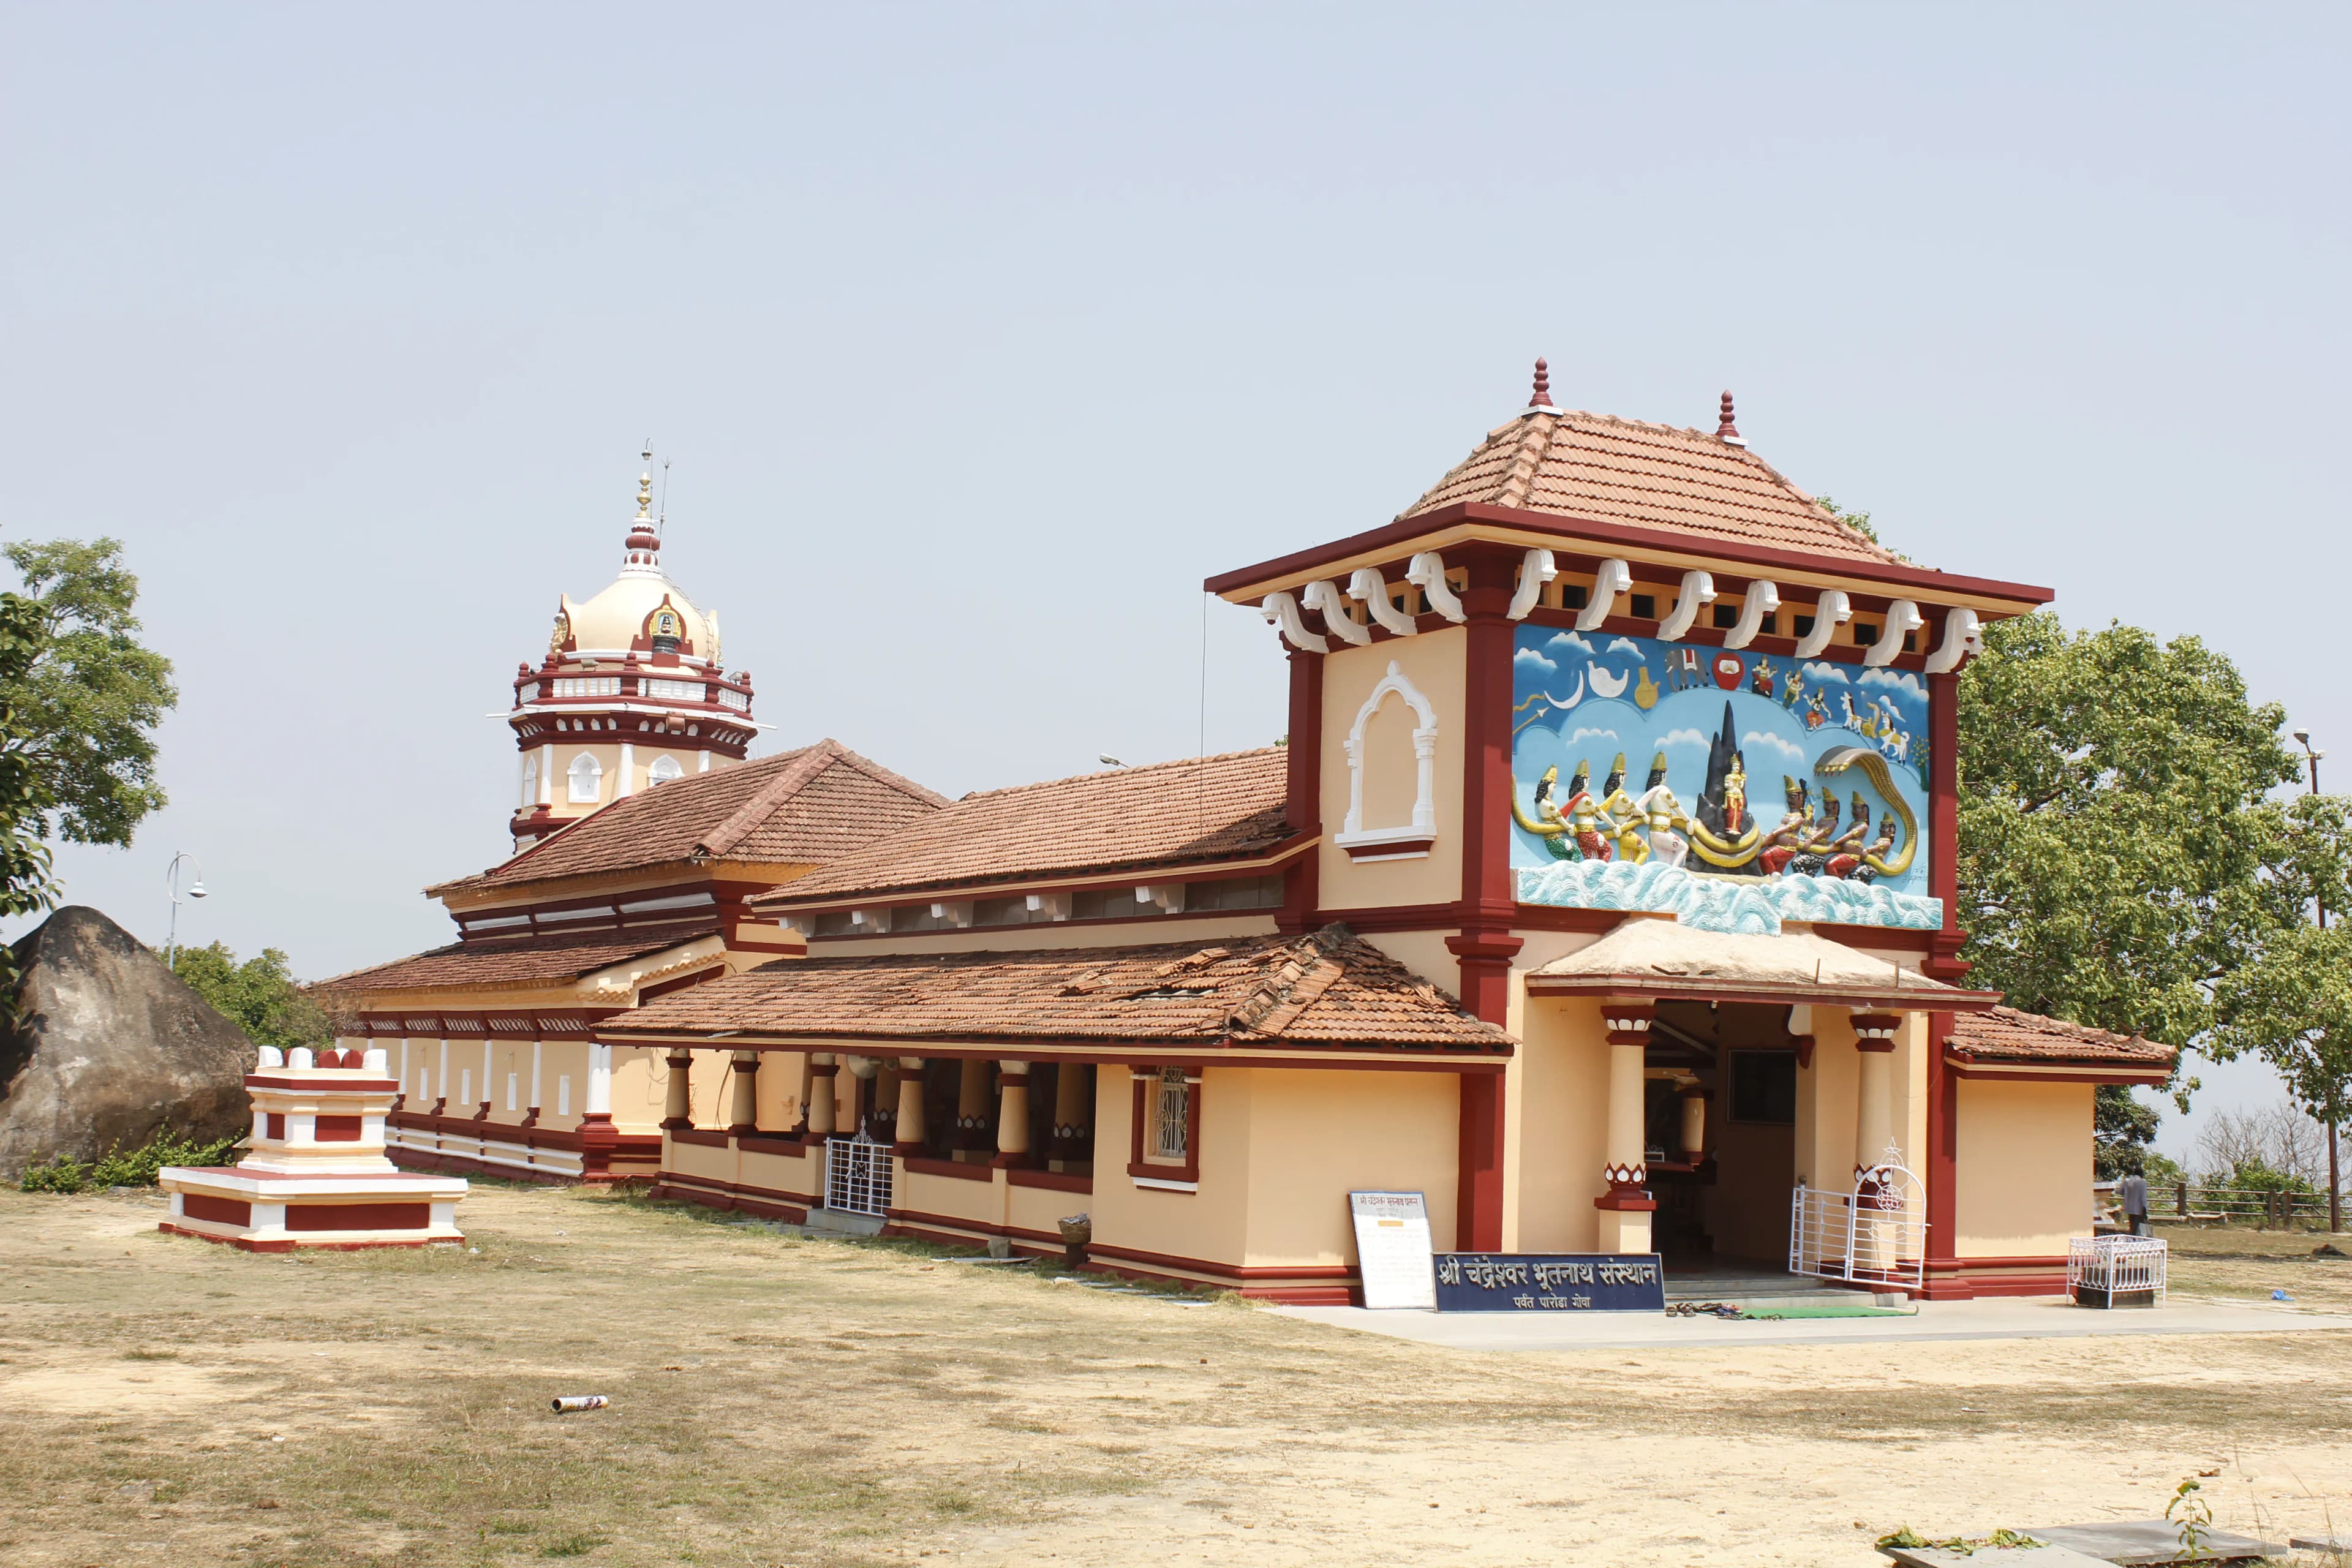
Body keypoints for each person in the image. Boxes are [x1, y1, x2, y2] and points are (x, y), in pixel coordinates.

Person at [2119, 1170, 2150, 1237]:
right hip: (2139, 1208)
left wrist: (2126, 1194)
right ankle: (2136, 1238)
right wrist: (2145, 1208)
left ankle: (2132, 1237)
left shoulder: (2127, 1181)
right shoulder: (2143, 1182)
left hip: (2129, 1207)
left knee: (2132, 1224)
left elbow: (2119, 1191)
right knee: (2138, 1225)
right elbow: (2143, 1197)